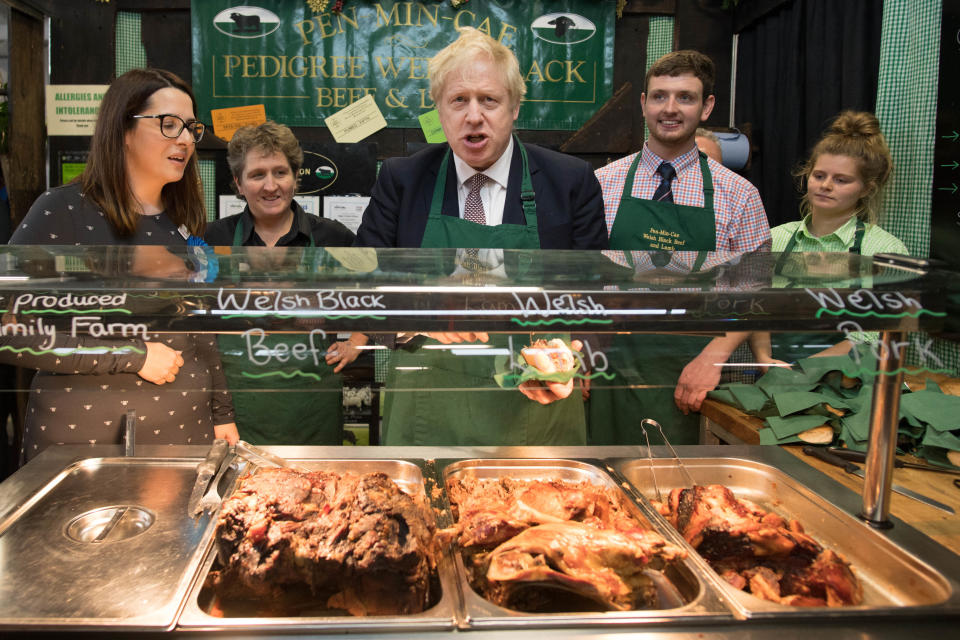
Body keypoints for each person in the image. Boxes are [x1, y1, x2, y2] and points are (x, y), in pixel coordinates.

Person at [354, 27, 608, 446]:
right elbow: (363, 286)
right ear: (439, 110)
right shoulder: (403, 180)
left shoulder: (569, 181)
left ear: (514, 108)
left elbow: (600, 292)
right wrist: (417, 313)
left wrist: (574, 359)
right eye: (458, 100)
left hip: (536, 406)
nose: (474, 116)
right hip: (427, 411)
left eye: (489, 100)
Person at [8, 67, 238, 462]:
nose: (185, 139)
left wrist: (222, 413)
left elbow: (200, 326)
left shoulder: (182, 221)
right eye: (169, 124)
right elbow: (7, 329)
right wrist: (132, 354)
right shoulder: (63, 210)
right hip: (89, 440)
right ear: (122, 128)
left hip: (188, 434)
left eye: (190, 128)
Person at [589, 50, 770, 445]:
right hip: (612, 364)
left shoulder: (739, 195)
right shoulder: (602, 184)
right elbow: (581, 276)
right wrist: (583, 346)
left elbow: (755, 291)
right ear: (643, 103)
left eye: (685, 97)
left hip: (698, 369)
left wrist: (713, 357)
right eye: (659, 96)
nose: (669, 109)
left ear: (706, 107)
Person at [205, 121, 363, 445]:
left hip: (312, 409)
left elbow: (380, 294)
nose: (270, 185)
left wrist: (358, 341)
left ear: (295, 177)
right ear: (238, 183)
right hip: (241, 408)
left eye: (280, 172)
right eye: (257, 174)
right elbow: (194, 321)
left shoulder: (334, 237)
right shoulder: (213, 239)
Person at [753, 110, 907, 364]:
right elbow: (754, 311)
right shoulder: (775, 239)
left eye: (841, 180)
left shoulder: (885, 250)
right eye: (819, 175)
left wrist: (804, 369)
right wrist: (765, 360)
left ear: (866, 188)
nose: (826, 186)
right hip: (774, 373)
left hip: (849, 383)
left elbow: (874, 337)